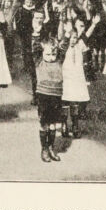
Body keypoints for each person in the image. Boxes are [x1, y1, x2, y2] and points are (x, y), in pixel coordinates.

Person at [32, 33, 66, 163]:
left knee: (53, 124)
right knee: (44, 123)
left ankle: (51, 147)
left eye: (53, 54)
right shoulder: (39, 61)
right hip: (43, 96)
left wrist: (67, 36)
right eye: (48, 54)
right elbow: (35, 47)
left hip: (56, 95)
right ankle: (44, 149)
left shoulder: (59, 60)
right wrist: (36, 33)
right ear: (42, 54)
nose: (51, 57)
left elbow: (64, 48)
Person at [60, 17, 90, 138]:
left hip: (77, 78)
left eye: (75, 38)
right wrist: (67, 34)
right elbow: (63, 45)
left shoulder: (80, 46)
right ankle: (64, 124)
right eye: (72, 38)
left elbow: (86, 37)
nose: (74, 40)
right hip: (66, 78)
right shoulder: (64, 46)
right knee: (65, 101)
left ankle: (75, 125)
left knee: (75, 102)